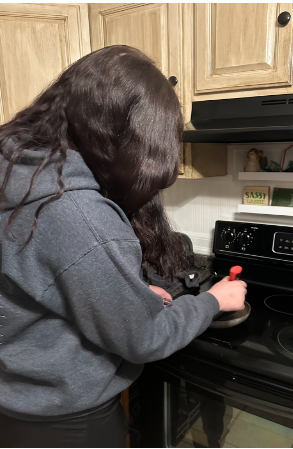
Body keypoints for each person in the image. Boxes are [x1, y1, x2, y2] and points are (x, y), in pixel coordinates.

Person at [0, 45, 247, 447]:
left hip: (17, 403)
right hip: (69, 424)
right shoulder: (79, 215)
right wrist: (214, 300)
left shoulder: (20, 178)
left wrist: (124, 295)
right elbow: (144, 338)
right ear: (130, 143)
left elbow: (35, 287)